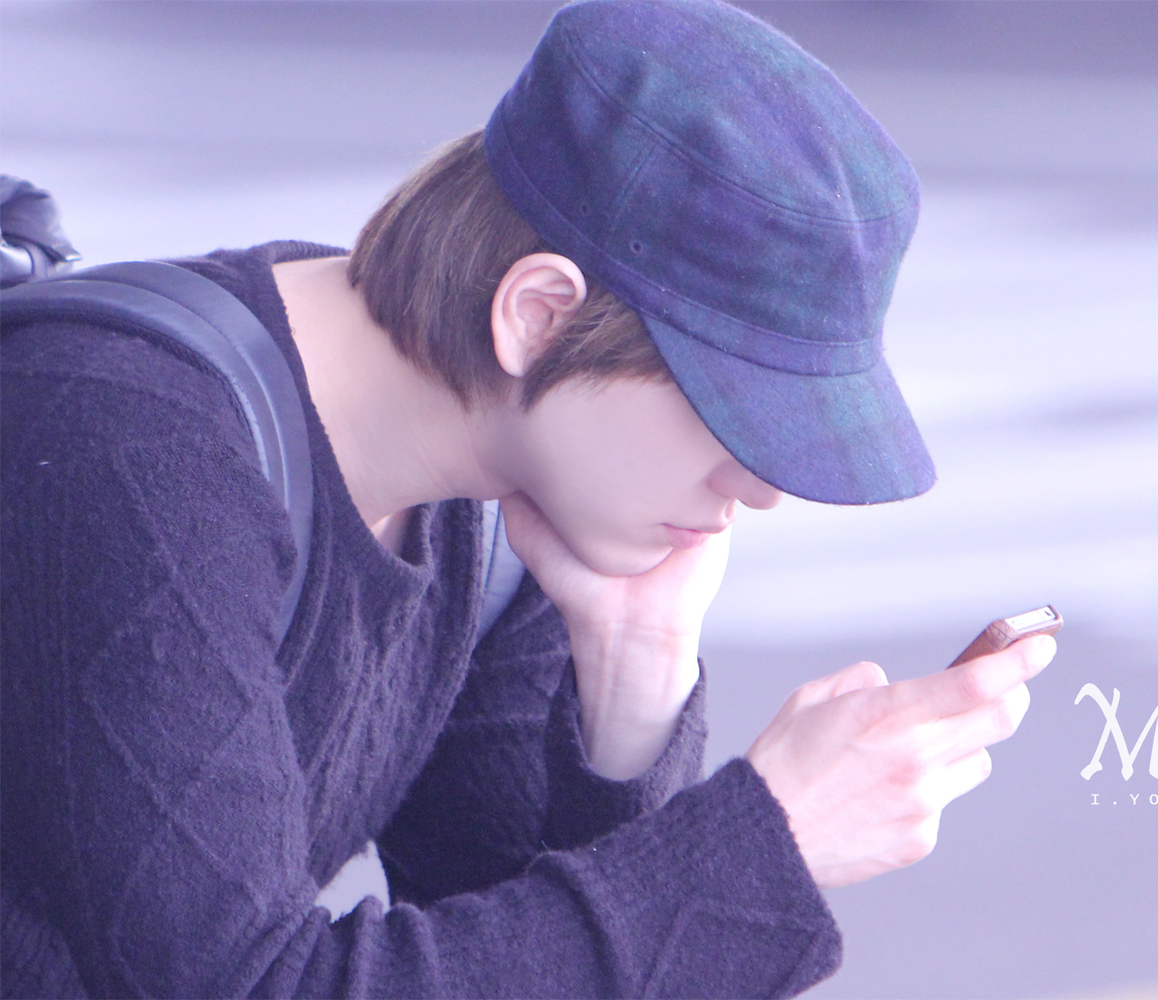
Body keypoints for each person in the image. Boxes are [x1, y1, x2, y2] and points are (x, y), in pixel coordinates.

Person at [0, 2, 1055, 997]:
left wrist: (631, 691)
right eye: (730, 410)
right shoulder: (129, 443)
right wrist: (767, 843)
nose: (764, 486)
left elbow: (498, 952)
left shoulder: (497, 502)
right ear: (539, 314)